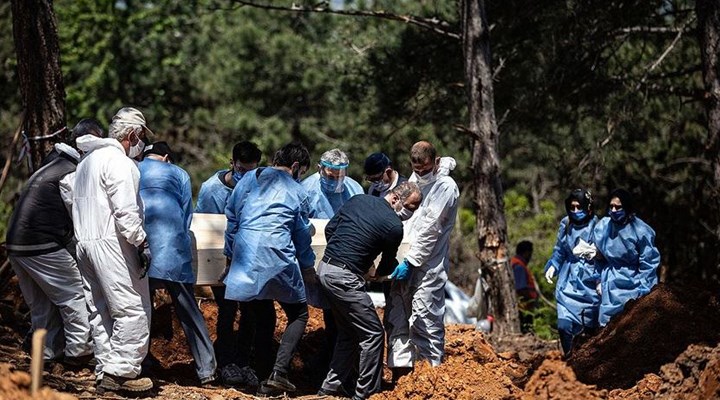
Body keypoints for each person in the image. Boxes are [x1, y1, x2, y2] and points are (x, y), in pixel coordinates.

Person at [223, 142, 316, 395]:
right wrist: (308, 268)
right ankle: (279, 373)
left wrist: (230, 257)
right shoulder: (295, 191)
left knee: (262, 314)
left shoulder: (249, 179)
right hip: (277, 255)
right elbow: (301, 235)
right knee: (299, 314)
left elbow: (232, 218)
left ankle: (262, 375)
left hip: (244, 256)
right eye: (303, 172)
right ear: (296, 167)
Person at [72, 107, 154, 393]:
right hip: (112, 242)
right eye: (141, 136)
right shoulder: (120, 163)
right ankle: (122, 372)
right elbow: (126, 211)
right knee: (131, 307)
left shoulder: (86, 162)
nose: (142, 143)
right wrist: (141, 242)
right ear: (132, 134)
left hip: (84, 242)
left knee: (99, 309)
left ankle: (105, 369)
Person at [317, 182, 422, 400]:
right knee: (373, 334)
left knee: (348, 333)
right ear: (395, 199)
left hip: (325, 269)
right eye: (410, 207)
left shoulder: (358, 199)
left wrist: (344, 253)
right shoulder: (394, 226)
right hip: (345, 279)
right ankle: (367, 394)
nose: (410, 213)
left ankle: (330, 388)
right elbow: (386, 265)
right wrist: (383, 272)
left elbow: (330, 230)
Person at [6, 129, 96, 364]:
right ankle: (80, 351)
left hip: (16, 245)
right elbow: (77, 215)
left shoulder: (49, 167)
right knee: (74, 293)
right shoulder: (70, 173)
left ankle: (46, 353)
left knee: (41, 303)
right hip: (42, 244)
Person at [139, 142, 217, 385]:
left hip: (140, 251)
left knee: (140, 311)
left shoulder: (132, 168)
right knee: (189, 311)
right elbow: (186, 216)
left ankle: (138, 363)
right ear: (166, 157)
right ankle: (207, 370)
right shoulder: (179, 173)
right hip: (172, 251)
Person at [385, 141, 459, 378]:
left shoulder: (445, 187)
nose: (421, 172)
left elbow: (431, 228)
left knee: (425, 316)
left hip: (429, 264)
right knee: (397, 314)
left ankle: (430, 373)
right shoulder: (414, 181)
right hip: (404, 258)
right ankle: (402, 373)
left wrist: (412, 260)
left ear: (436, 162)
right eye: (417, 169)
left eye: (426, 168)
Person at [195, 141, 263, 386]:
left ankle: (244, 362)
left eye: (251, 171)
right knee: (226, 309)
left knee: (250, 311)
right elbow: (204, 227)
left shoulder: (258, 186)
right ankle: (226, 362)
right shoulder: (211, 190)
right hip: (220, 263)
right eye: (241, 170)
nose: (245, 176)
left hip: (247, 260)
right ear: (231, 164)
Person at [590, 188, 661, 326]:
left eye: (618, 207)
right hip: (610, 283)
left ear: (627, 207)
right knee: (607, 326)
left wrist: (645, 290)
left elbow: (649, 262)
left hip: (634, 283)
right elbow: (599, 259)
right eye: (611, 206)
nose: (614, 210)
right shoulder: (603, 227)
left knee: (631, 325)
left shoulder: (640, 230)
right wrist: (598, 279)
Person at [544, 189, 600, 354]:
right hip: (568, 280)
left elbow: (605, 252)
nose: (575, 211)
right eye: (572, 207)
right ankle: (569, 357)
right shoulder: (566, 223)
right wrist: (554, 265)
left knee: (589, 330)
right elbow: (560, 250)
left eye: (579, 207)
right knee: (564, 326)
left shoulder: (598, 225)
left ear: (588, 207)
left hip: (590, 280)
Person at [301, 148, 364, 218]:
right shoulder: (306, 190)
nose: (335, 182)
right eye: (330, 177)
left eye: (339, 177)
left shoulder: (355, 189)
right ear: (319, 169)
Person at [511, 241, 538, 333]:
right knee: (526, 331)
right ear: (526, 252)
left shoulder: (515, 264)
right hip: (523, 308)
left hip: (522, 307)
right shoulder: (519, 266)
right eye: (530, 253)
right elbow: (521, 288)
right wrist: (531, 300)